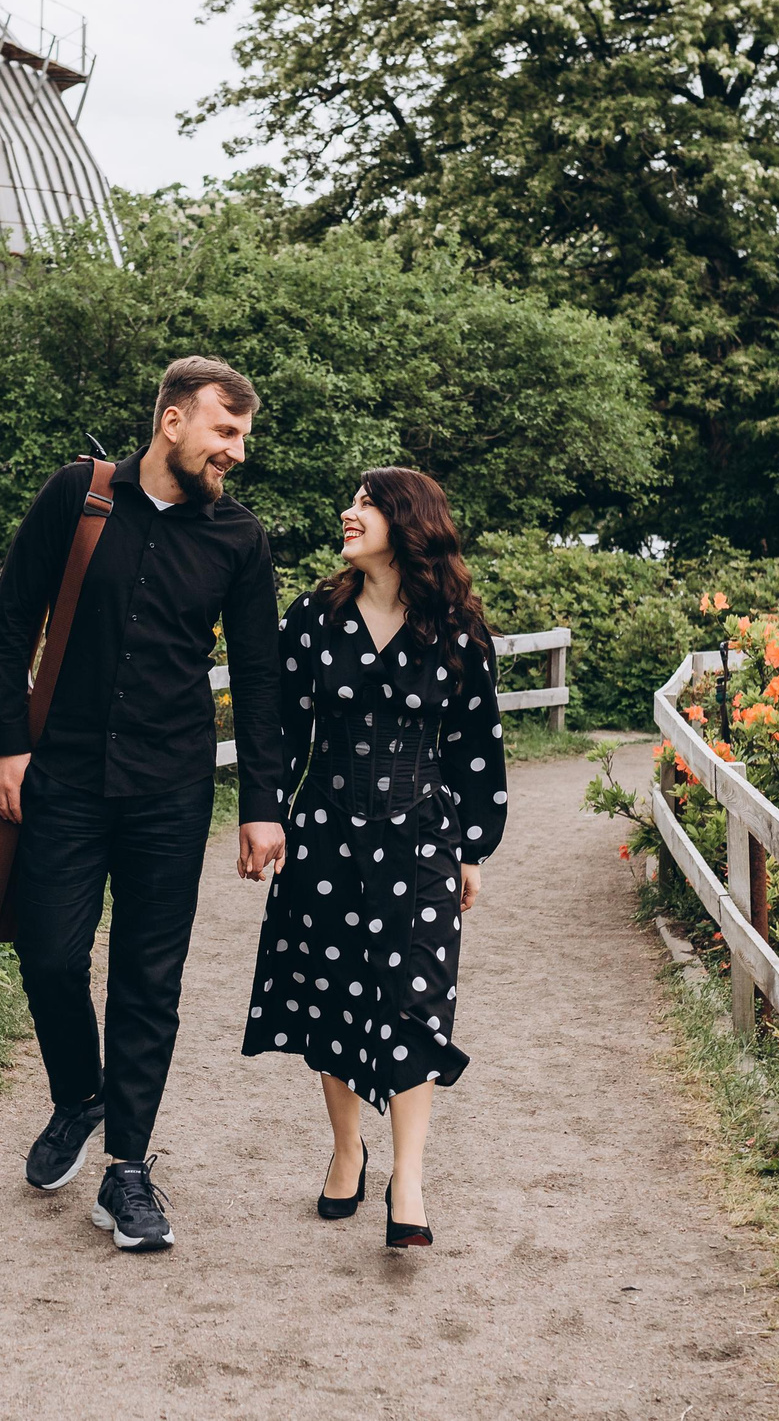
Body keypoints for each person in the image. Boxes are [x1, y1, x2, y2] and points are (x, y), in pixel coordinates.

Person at [0, 357, 289, 1253]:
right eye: (224, 431)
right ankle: (79, 1093)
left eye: (242, 435)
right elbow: (10, 624)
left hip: (171, 787)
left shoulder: (239, 536)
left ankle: (127, 1169)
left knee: (149, 981)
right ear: (172, 421)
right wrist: (9, 741)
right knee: (49, 955)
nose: (236, 451)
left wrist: (261, 804)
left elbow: (261, 679)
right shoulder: (79, 497)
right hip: (64, 778)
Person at [237, 468, 508, 1249]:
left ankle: (409, 1176)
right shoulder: (316, 619)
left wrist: (474, 848)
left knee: (415, 998)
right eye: (351, 500)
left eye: (365, 503)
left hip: (424, 833)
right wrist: (267, 813)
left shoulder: (457, 629)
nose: (348, 513)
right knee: (332, 991)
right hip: (325, 831)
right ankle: (347, 1146)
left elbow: (475, 744)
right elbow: (280, 727)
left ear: (407, 520)